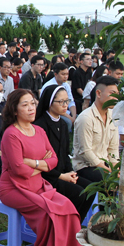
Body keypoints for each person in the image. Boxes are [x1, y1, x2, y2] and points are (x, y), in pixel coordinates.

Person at [0, 89, 87, 246]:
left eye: (32, 103)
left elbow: (54, 159)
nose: (31, 108)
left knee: (69, 208)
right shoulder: (11, 134)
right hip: (14, 188)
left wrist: (32, 162)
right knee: (49, 212)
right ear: (14, 110)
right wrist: (42, 165)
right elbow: (18, 171)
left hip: (38, 185)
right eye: (25, 104)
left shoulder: (39, 130)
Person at [34, 86, 95, 220]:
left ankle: (75, 226)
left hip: (63, 172)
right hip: (47, 177)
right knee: (79, 194)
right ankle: (65, 228)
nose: (65, 105)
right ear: (50, 102)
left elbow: (65, 153)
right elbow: (41, 162)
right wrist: (61, 176)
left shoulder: (63, 124)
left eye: (66, 101)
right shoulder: (40, 125)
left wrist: (70, 173)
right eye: (61, 102)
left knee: (90, 189)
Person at [72, 76, 120, 183]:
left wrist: (116, 168)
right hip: (86, 166)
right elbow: (86, 151)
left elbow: (113, 148)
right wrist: (106, 169)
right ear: (98, 93)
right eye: (112, 93)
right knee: (110, 182)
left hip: (105, 163)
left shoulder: (113, 116)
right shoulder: (86, 118)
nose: (116, 97)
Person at [40, 63, 77, 131]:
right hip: (54, 112)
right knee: (68, 122)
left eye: (67, 74)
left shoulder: (66, 85)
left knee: (79, 117)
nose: (66, 76)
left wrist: (74, 116)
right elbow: (50, 106)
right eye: (63, 74)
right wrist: (69, 117)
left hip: (65, 110)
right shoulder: (49, 86)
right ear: (55, 74)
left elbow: (71, 101)